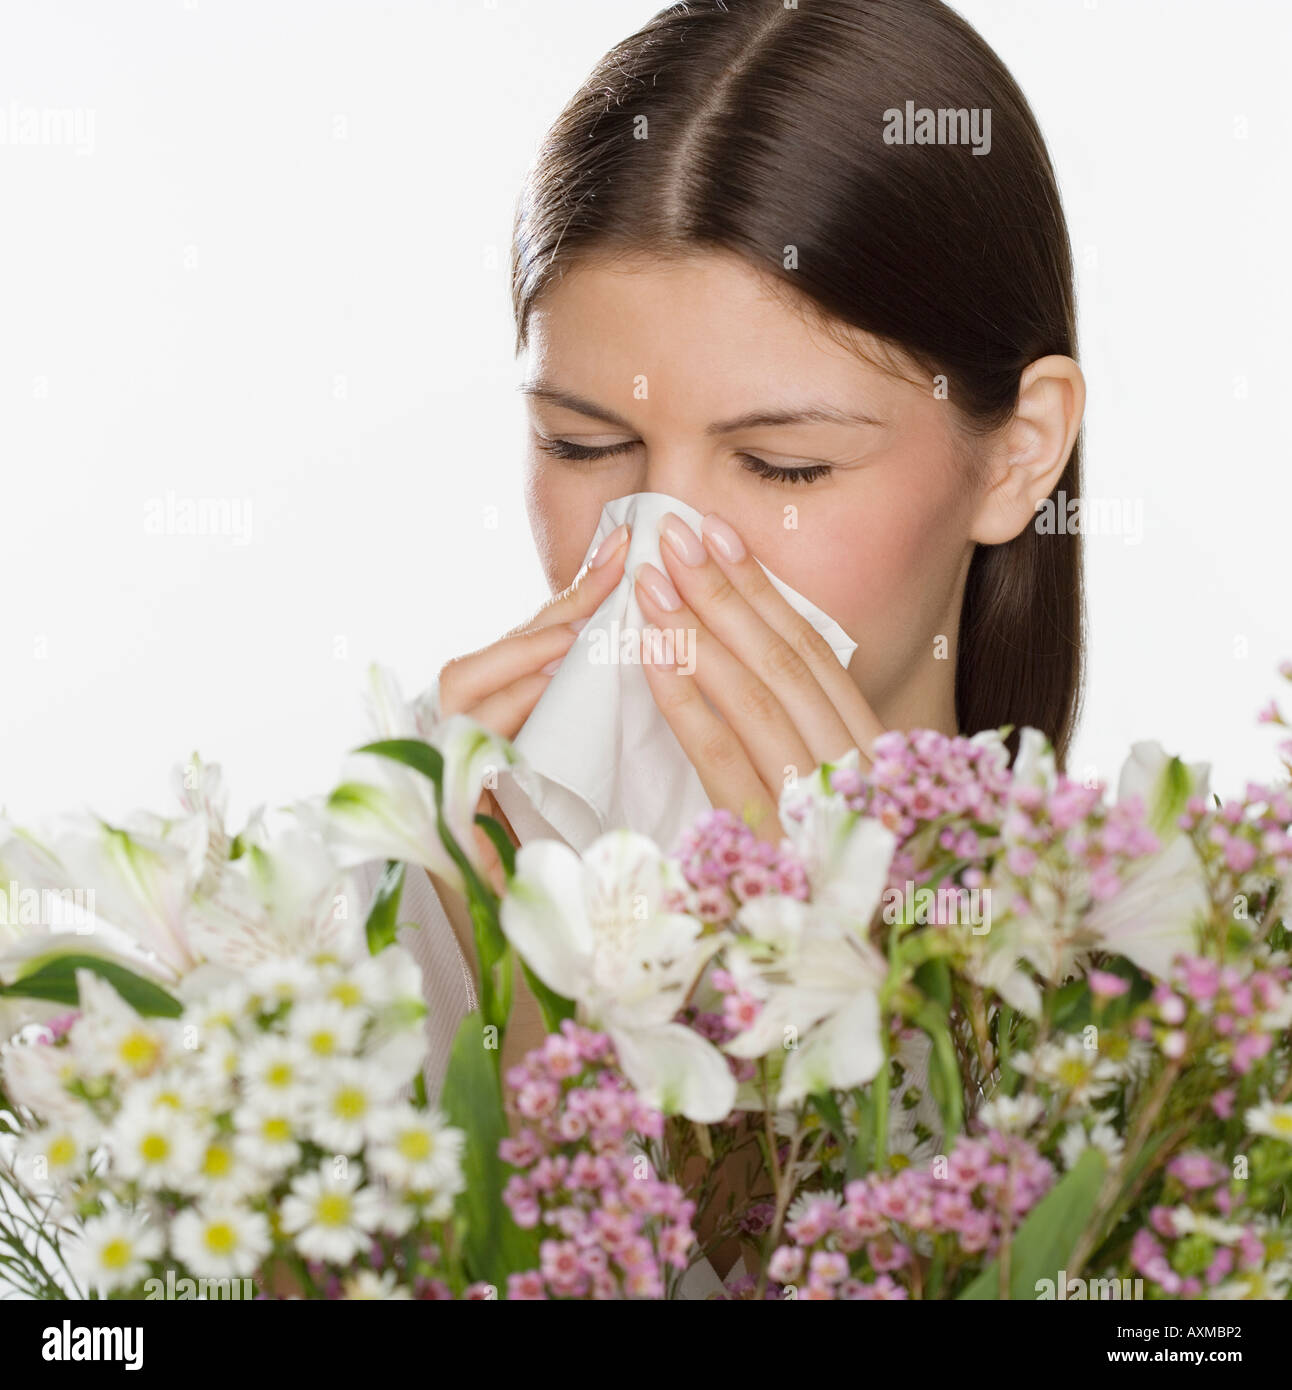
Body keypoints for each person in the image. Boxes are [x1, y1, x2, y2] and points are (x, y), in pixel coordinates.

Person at [403, 0, 1087, 1278]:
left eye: (785, 464)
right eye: (582, 446)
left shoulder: (1160, 1009)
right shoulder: (415, 902)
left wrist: (887, 1014)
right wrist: (502, 1021)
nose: (661, 549)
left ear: (1020, 453)